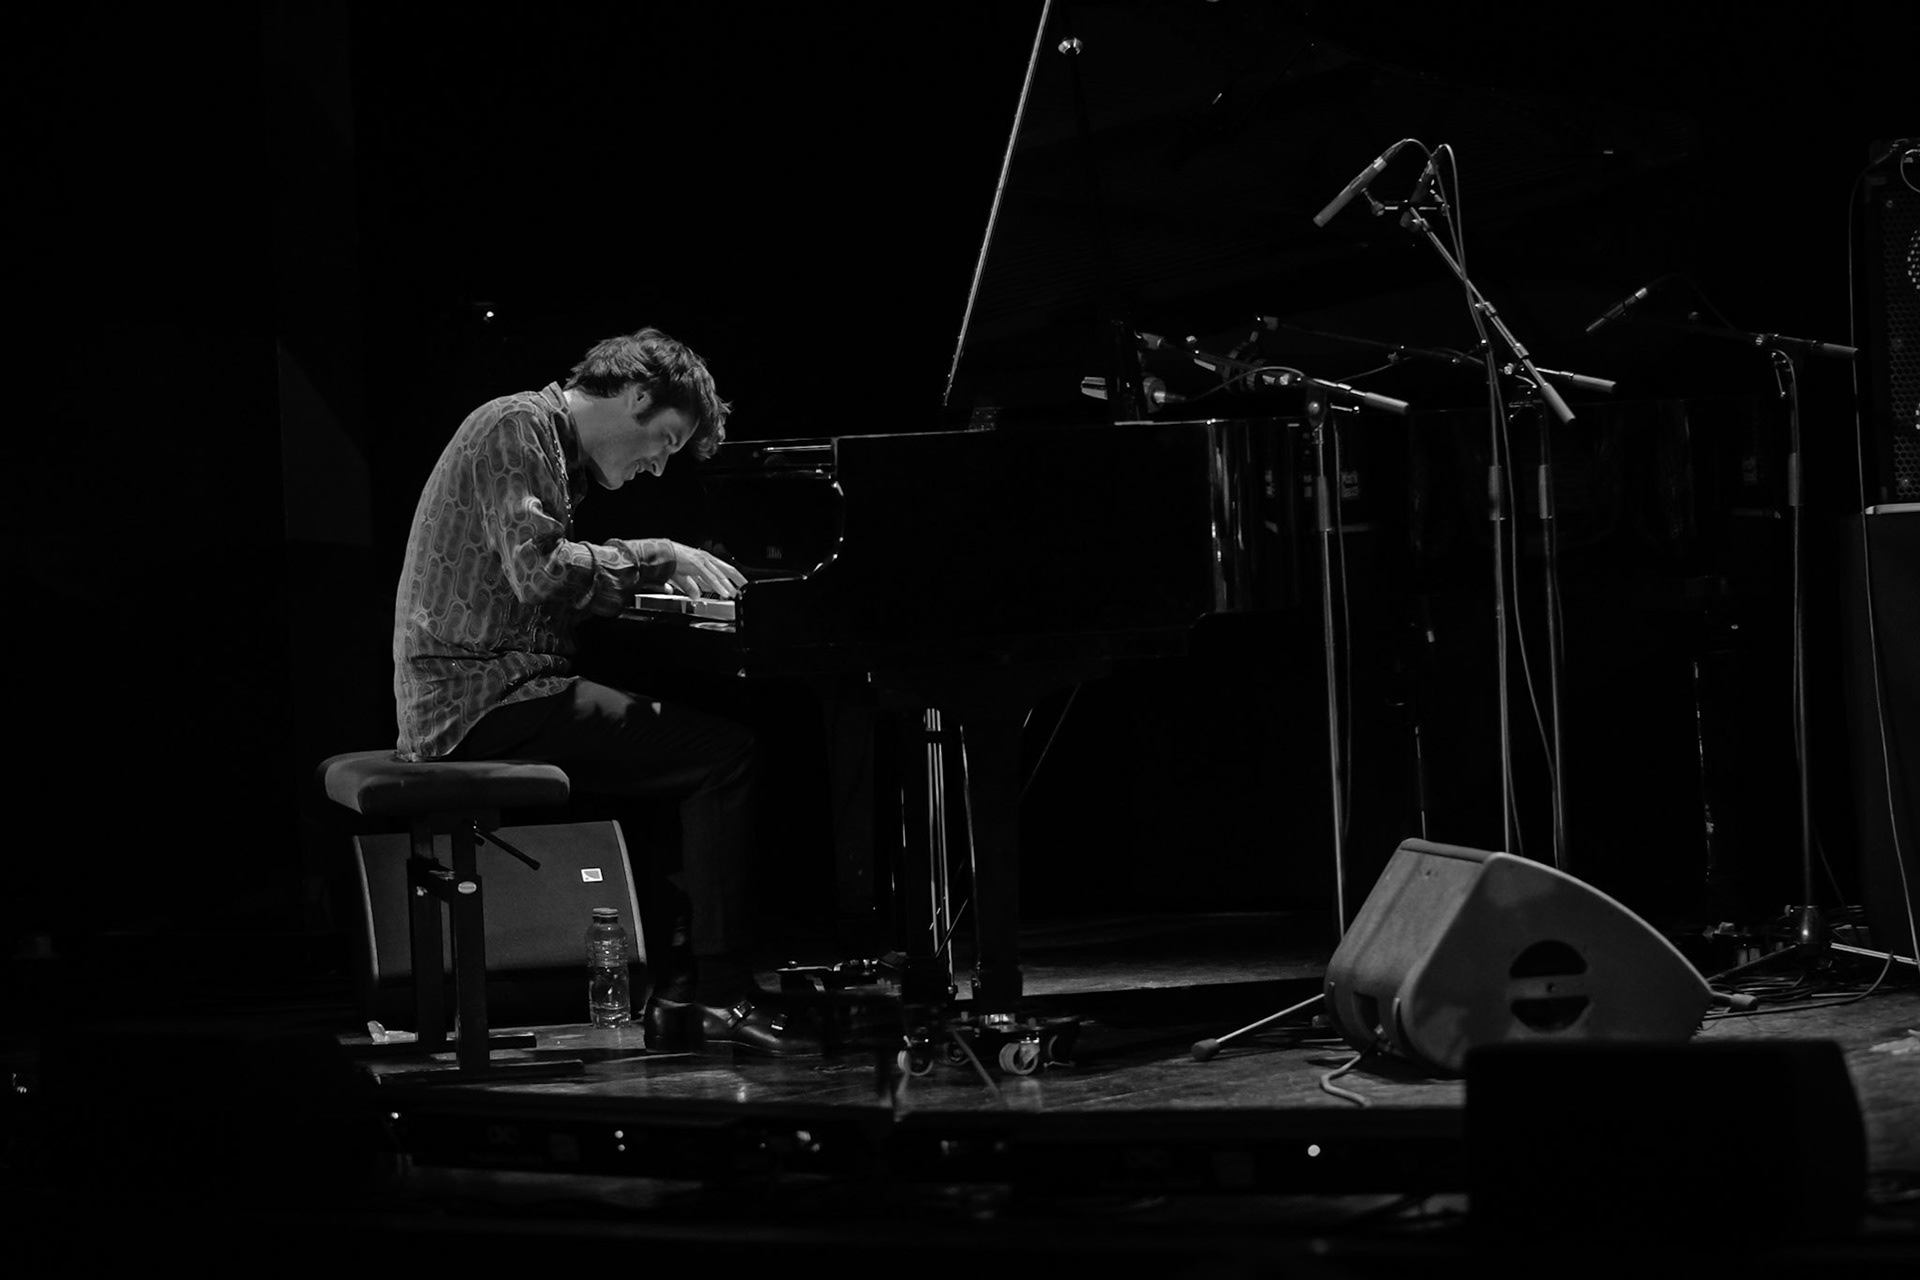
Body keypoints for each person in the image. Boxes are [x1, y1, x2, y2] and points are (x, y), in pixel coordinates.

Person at [391, 326, 818, 1056]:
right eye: (667, 440)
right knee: (723, 756)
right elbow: (544, 573)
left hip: (499, 689)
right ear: (639, 395)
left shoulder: (548, 445)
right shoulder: (516, 424)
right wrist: (661, 555)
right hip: (480, 700)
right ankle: (715, 994)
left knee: (680, 753)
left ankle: (678, 997)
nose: (659, 466)